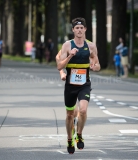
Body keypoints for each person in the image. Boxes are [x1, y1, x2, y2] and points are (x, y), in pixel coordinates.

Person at [56, 17, 100, 154]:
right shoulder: (67, 45)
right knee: (70, 115)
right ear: (73, 30)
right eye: (77, 28)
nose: (79, 30)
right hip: (70, 85)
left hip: (84, 84)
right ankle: (70, 138)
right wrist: (69, 56)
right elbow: (59, 66)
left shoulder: (91, 46)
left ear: (85, 29)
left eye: (82, 28)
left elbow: (98, 65)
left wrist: (95, 67)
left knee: (83, 110)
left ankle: (79, 134)